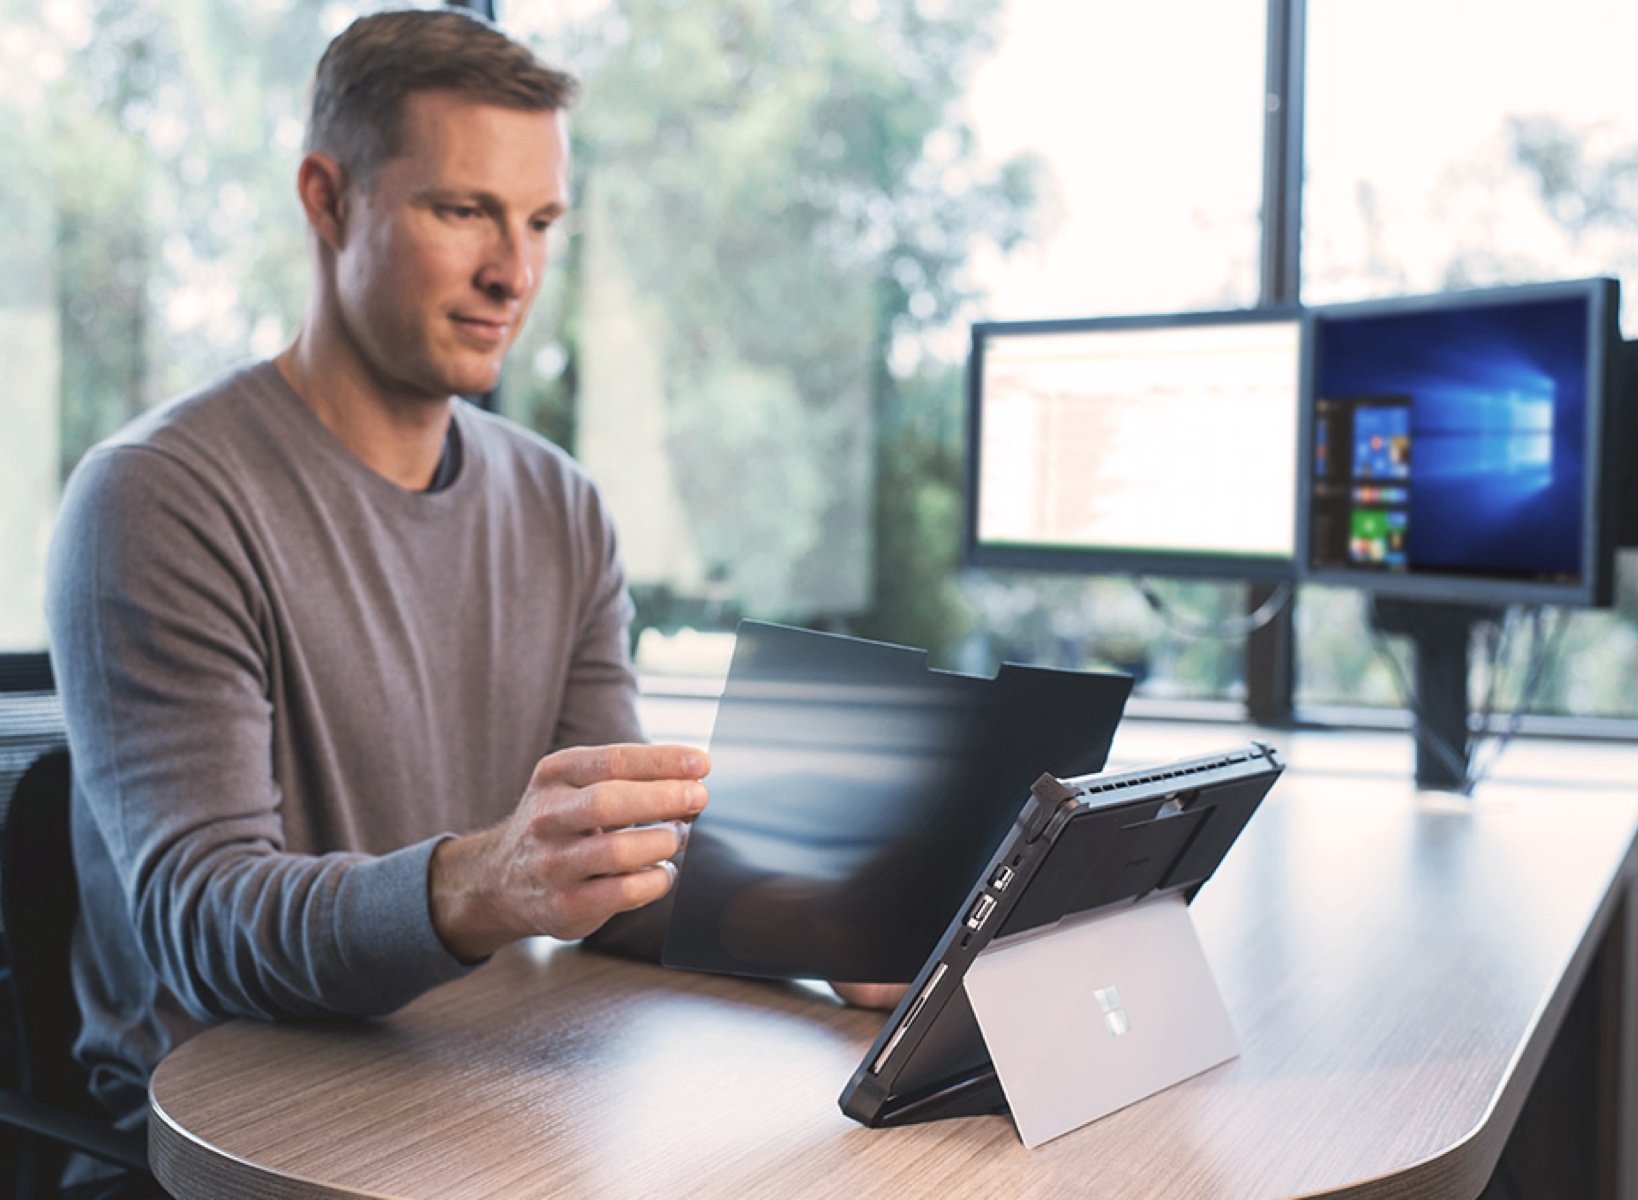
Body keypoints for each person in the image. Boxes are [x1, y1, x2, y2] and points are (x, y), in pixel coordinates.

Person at [45, 11, 894, 1192]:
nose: (515, 271)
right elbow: (203, 926)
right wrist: (479, 885)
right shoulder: (158, 499)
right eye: (464, 212)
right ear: (327, 199)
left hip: (474, 1095)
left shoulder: (561, 505)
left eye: (540, 221)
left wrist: (830, 923)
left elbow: (605, 872)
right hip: (230, 1143)